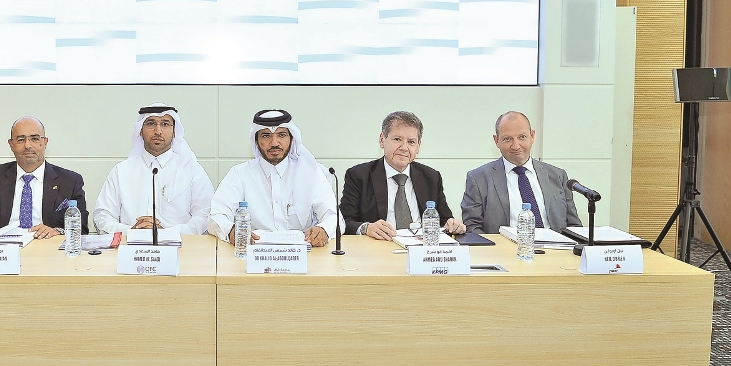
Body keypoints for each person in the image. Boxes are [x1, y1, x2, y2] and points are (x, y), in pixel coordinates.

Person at [208, 109, 337, 247]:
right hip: (254, 254)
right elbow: (216, 216)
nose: (274, 142)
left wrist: (324, 229)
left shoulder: (311, 172)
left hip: (304, 255)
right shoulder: (240, 174)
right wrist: (232, 230)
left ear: (291, 139)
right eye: (266, 136)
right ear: (256, 141)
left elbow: (333, 216)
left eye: (281, 135)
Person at [340, 111, 465, 240]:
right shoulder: (359, 176)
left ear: (418, 146)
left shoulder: (431, 177)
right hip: (380, 246)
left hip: (420, 246)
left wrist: (452, 224)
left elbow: (444, 219)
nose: (404, 148)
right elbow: (343, 221)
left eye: (411, 142)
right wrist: (366, 228)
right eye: (397, 139)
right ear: (382, 140)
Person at [93, 104, 213, 235]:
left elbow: (205, 216)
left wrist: (164, 234)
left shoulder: (191, 170)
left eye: (165, 124)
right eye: (151, 123)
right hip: (129, 245)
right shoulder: (121, 171)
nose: (158, 131)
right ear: (140, 131)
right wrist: (133, 232)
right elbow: (102, 216)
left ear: (174, 132)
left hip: (181, 246)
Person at [460, 111, 581, 233]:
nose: (516, 146)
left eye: (522, 137)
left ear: (532, 136)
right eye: (507, 139)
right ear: (496, 141)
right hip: (503, 245)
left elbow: (574, 227)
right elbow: (472, 227)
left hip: (556, 244)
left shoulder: (558, 176)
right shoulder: (479, 179)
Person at [0, 116, 88, 238]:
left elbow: (81, 228)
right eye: (20, 139)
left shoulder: (70, 181)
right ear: (11, 144)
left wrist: (57, 231)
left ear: (45, 142)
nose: (27, 145)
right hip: (3, 246)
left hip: (47, 246)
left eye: (34, 138)